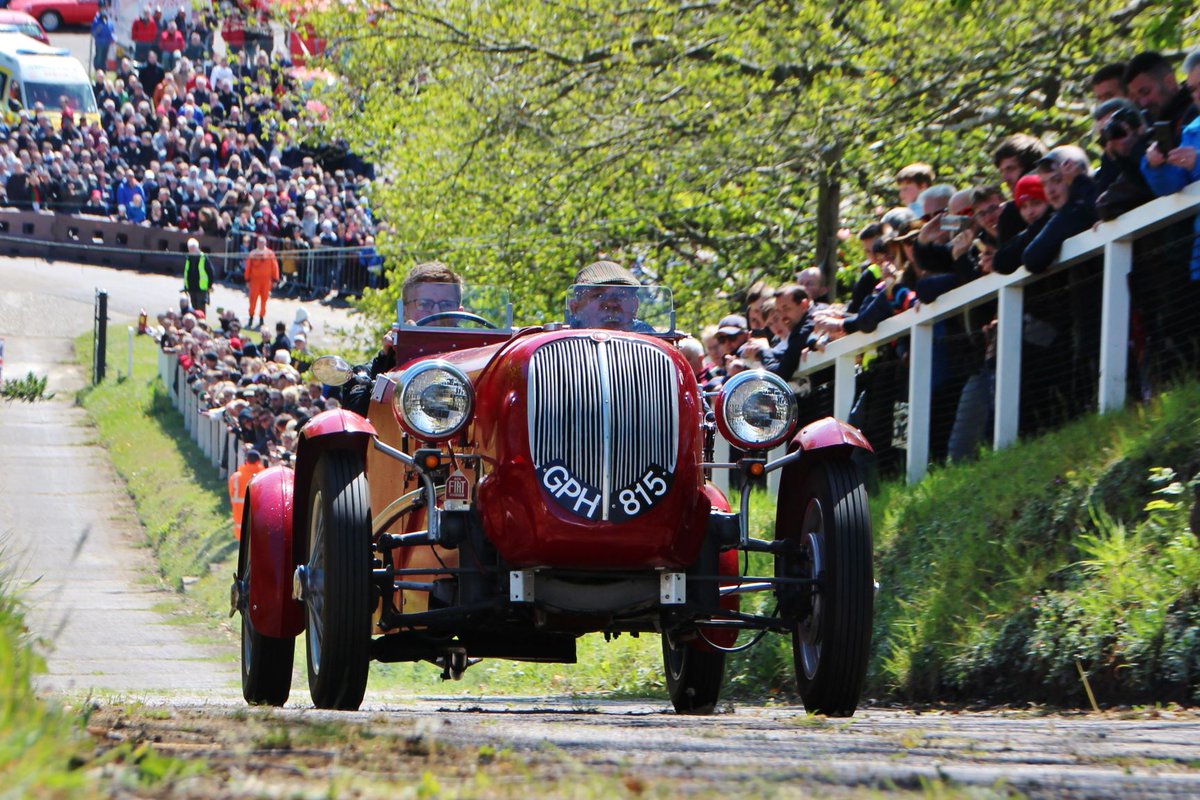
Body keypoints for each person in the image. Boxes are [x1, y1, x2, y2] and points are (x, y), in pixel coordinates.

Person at [567, 260, 644, 331]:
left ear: (635, 305)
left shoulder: (650, 342)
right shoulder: (560, 342)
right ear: (575, 308)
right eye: (598, 296)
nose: (611, 303)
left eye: (621, 295)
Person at [244, 235, 280, 328]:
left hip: (266, 280)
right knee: (253, 300)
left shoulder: (270, 253)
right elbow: (248, 267)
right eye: (259, 242)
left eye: (262, 243)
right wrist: (247, 279)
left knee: (264, 300)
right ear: (257, 243)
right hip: (255, 280)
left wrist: (275, 279)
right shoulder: (253, 254)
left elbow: (274, 266)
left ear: (265, 243)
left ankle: (261, 318)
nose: (261, 244)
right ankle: (251, 317)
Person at [182, 238, 212, 315]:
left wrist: (209, 286)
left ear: (196, 248)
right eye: (189, 249)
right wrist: (186, 286)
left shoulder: (203, 258)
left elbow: (211, 272)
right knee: (194, 309)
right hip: (191, 288)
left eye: (192, 248)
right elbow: (186, 273)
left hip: (201, 288)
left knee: (201, 309)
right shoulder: (188, 258)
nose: (190, 250)